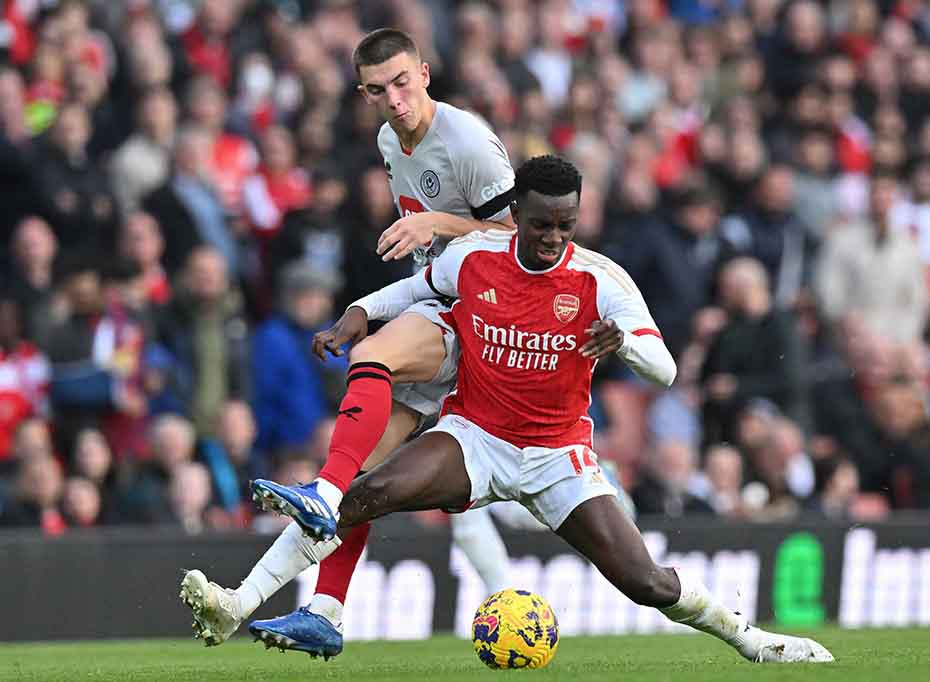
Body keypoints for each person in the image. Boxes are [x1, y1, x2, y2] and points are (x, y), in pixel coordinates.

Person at [187, 156, 832, 663]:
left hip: (560, 459)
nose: (554, 238)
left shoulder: (600, 280)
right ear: (516, 213)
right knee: (359, 495)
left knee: (647, 585)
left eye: (566, 226)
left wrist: (625, 344)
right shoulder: (475, 257)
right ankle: (239, 606)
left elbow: (663, 367)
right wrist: (358, 314)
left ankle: (752, 640)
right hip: (476, 439)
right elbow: (417, 286)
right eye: (542, 223)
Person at [181, 28, 520, 652]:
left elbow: (521, 244)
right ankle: (303, 608)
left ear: (424, 72)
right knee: (359, 475)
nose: (393, 99)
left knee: (371, 366)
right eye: (376, 90)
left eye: (401, 82)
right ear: (363, 95)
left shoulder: (467, 140)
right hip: (450, 304)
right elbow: (442, 260)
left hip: (497, 323)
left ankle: (322, 500)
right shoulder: (391, 141)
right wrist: (366, 305)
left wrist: (432, 224)